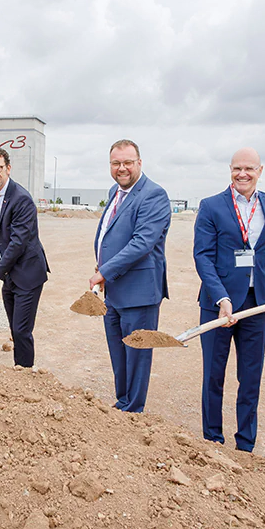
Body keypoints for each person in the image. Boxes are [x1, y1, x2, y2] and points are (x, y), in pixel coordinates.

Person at [193, 147, 265, 452]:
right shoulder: (212, 206)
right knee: (214, 375)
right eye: (237, 168)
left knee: (250, 377)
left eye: (249, 169)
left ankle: (245, 445)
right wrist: (221, 297)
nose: (242, 174)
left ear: (260, 170)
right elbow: (202, 256)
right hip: (219, 304)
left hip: (258, 302)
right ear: (230, 170)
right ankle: (212, 439)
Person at [89, 139, 170, 412]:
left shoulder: (153, 195)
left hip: (139, 293)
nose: (121, 168)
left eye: (127, 162)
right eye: (116, 163)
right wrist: (103, 268)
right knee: (119, 355)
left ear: (139, 163)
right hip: (113, 289)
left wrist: (105, 271)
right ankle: (122, 404)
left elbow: (142, 243)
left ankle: (133, 410)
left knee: (136, 356)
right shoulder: (115, 190)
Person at [0, 147, 49, 367]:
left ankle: (25, 373)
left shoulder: (22, 200)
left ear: (8, 169)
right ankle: (19, 369)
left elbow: (18, 243)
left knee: (21, 330)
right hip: (10, 271)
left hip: (28, 273)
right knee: (14, 328)